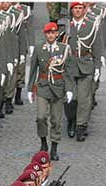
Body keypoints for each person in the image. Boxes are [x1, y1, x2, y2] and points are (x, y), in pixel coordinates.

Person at [27, 21, 74, 158]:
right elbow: (33, 69)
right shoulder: (39, 48)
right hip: (43, 86)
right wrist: (30, 89)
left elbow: (68, 70)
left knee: (56, 120)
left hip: (58, 87)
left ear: (57, 34)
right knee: (41, 116)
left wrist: (69, 89)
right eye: (48, 33)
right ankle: (43, 141)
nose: (51, 35)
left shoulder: (64, 49)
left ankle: (54, 146)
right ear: (45, 34)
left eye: (53, 33)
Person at [65, 1, 103, 141]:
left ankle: (81, 126)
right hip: (69, 65)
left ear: (84, 10)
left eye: (80, 8)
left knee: (84, 98)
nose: (78, 11)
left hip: (86, 65)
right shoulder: (66, 26)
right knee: (70, 99)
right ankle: (71, 120)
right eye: (75, 8)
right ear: (72, 10)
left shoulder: (92, 26)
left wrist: (98, 66)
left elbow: (97, 48)